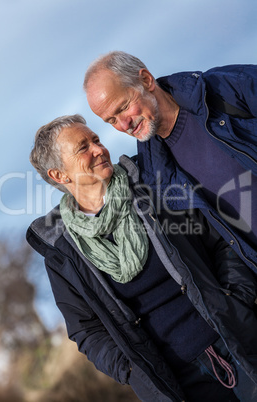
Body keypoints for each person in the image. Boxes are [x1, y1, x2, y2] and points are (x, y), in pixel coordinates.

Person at [27, 114, 257, 402]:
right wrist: (131, 369)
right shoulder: (63, 251)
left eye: (95, 140)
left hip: (238, 338)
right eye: (83, 147)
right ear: (59, 176)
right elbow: (86, 330)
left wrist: (239, 298)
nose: (98, 149)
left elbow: (221, 240)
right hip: (178, 383)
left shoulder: (153, 183)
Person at [83, 51, 257, 274]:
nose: (124, 124)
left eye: (123, 107)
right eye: (111, 120)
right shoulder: (154, 174)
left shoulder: (226, 89)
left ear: (146, 80)